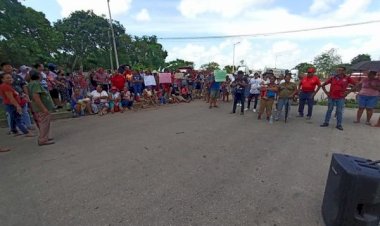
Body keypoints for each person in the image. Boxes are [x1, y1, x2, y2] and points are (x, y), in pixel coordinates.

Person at [320, 66, 356, 131]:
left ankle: (339, 125)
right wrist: (326, 93)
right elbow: (323, 85)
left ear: (344, 71)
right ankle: (326, 122)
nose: (338, 71)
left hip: (340, 97)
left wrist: (347, 92)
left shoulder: (347, 78)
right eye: (337, 70)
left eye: (340, 70)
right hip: (331, 97)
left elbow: (356, 85)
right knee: (329, 110)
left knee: (339, 111)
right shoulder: (332, 78)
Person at [2, 62, 34, 130]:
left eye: (9, 66)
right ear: (2, 68)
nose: (8, 68)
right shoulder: (1, 78)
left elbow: (24, 85)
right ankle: (14, 129)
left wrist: (26, 95)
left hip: (20, 96)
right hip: (8, 98)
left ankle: (28, 125)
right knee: (11, 113)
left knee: (24, 111)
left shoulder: (17, 76)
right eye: (6, 66)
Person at [28, 70, 55, 145]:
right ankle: (43, 139)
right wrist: (43, 108)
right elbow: (36, 97)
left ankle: (45, 137)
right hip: (41, 108)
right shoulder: (35, 84)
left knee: (45, 123)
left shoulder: (32, 83)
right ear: (38, 76)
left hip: (40, 107)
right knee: (44, 123)